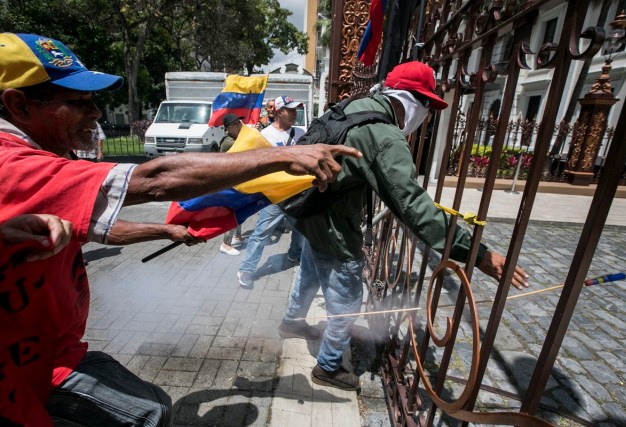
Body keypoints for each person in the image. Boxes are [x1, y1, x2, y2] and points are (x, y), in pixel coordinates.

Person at [0, 32, 360, 426]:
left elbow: (95, 229)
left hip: (54, 352)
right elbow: (157, 177)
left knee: (154, 403)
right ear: (18, 104)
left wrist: (164, 232)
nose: (97, 113)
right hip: (23, 372)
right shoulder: (14, 165)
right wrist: (277, 159)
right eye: (78, 102)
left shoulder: (36, 158)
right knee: (149, 413)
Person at [277, 61, 530, 391]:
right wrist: (476, 254)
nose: (426, 114)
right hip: (333, 224)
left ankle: (290, 323)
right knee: (348, 298)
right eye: (427, 105)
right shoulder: (385, 134)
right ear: (414, 100)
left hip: (309, 209)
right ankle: (328, 366)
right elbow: (414, 206)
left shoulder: (354, 105)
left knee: (309, 273)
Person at [236, 96, 307, 290]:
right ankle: (247, 270)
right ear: (278, 111)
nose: (294, 113)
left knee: (301, 229)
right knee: (261, 233)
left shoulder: (302, 132)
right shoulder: (265, 135)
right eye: (290, 110)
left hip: (298, 193)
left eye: (296, 110)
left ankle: (294, 254)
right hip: (274, 196)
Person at [219, 113, 245, 255]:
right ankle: (225, 244)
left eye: (240, 122)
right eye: (236, 124)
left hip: (236, 182)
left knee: (241, 209)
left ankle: (237, 236)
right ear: (229, 128)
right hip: (229, 184)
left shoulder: (235, 138)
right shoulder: (229, 142)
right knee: (233, 212)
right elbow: (248, 148)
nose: (240, 125)